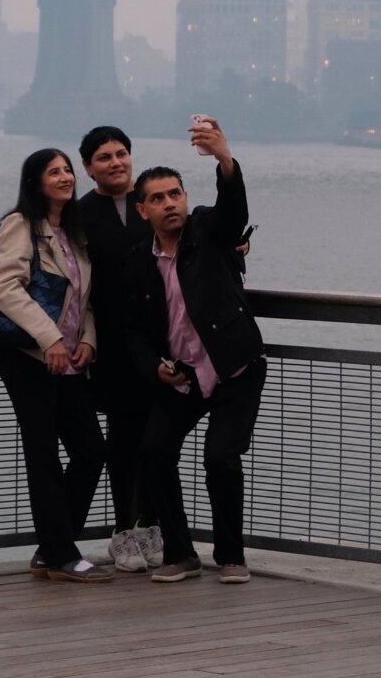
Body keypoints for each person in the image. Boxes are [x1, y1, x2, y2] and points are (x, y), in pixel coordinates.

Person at [116, 118, 262, 584]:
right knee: (154, 452)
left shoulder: (206, 231)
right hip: (183, 378)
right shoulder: (138, 262)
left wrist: (224, 159)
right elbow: (133, 332)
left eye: (174, 194)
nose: (169, 204)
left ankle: (232, 555)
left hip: (234, 369)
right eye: (157, 199)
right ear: (143, 211)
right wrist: (154, 368)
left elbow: (232, 213)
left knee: (220, 457)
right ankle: (181, 554)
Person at [0, 147, 110, 583]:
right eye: (53, 171)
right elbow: (6, 288)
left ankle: (54, 545)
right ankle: (61, 553)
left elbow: (82, 297)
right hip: (30, 357)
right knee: (43, 453)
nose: (64, 177)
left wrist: (89, 341)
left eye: (67, 170)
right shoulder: (21, 224)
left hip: (71, 357)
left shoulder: (74, 232)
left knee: (91, 450)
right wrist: (51, 337)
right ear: (35, 182)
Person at [70, 124, 162, 574]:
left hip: (161, 341)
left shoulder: (152, 200)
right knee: (124, 442)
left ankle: (153, 526)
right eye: (103, 157)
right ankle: (123, 531)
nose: (116, 162)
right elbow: (56, 264)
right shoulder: (80, 215)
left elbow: (190, 242)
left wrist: (235, 247)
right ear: (88, 168)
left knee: (159, 441)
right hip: (110, 346)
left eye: (122, 153)